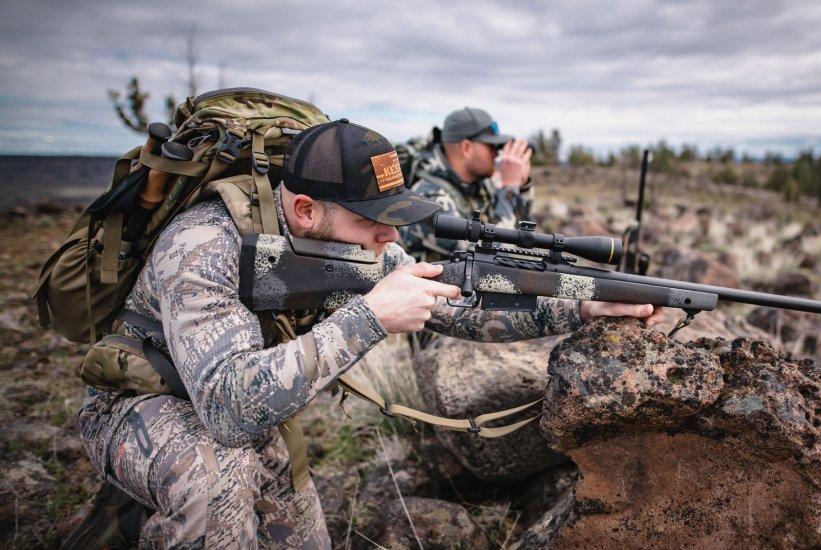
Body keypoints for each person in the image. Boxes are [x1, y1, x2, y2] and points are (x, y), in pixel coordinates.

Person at [77, 119, 668, 548]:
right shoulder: (204, 244)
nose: (390, 241)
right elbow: (229, 410)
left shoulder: (354, 241)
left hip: (251, 397)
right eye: (373, 223)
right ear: (306, 211)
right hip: (141, 401)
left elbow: (461, 310)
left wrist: (582, 307)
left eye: (394, 221)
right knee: (215, 482)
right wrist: (371, 318)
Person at [398, 107, 535, 263]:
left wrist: (521, 187)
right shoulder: (429, 199)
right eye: (492, 146)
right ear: (466, 148)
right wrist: (509, 188)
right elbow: (491, 261)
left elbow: (522, 230)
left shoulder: (478, 185)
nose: (498, 153)